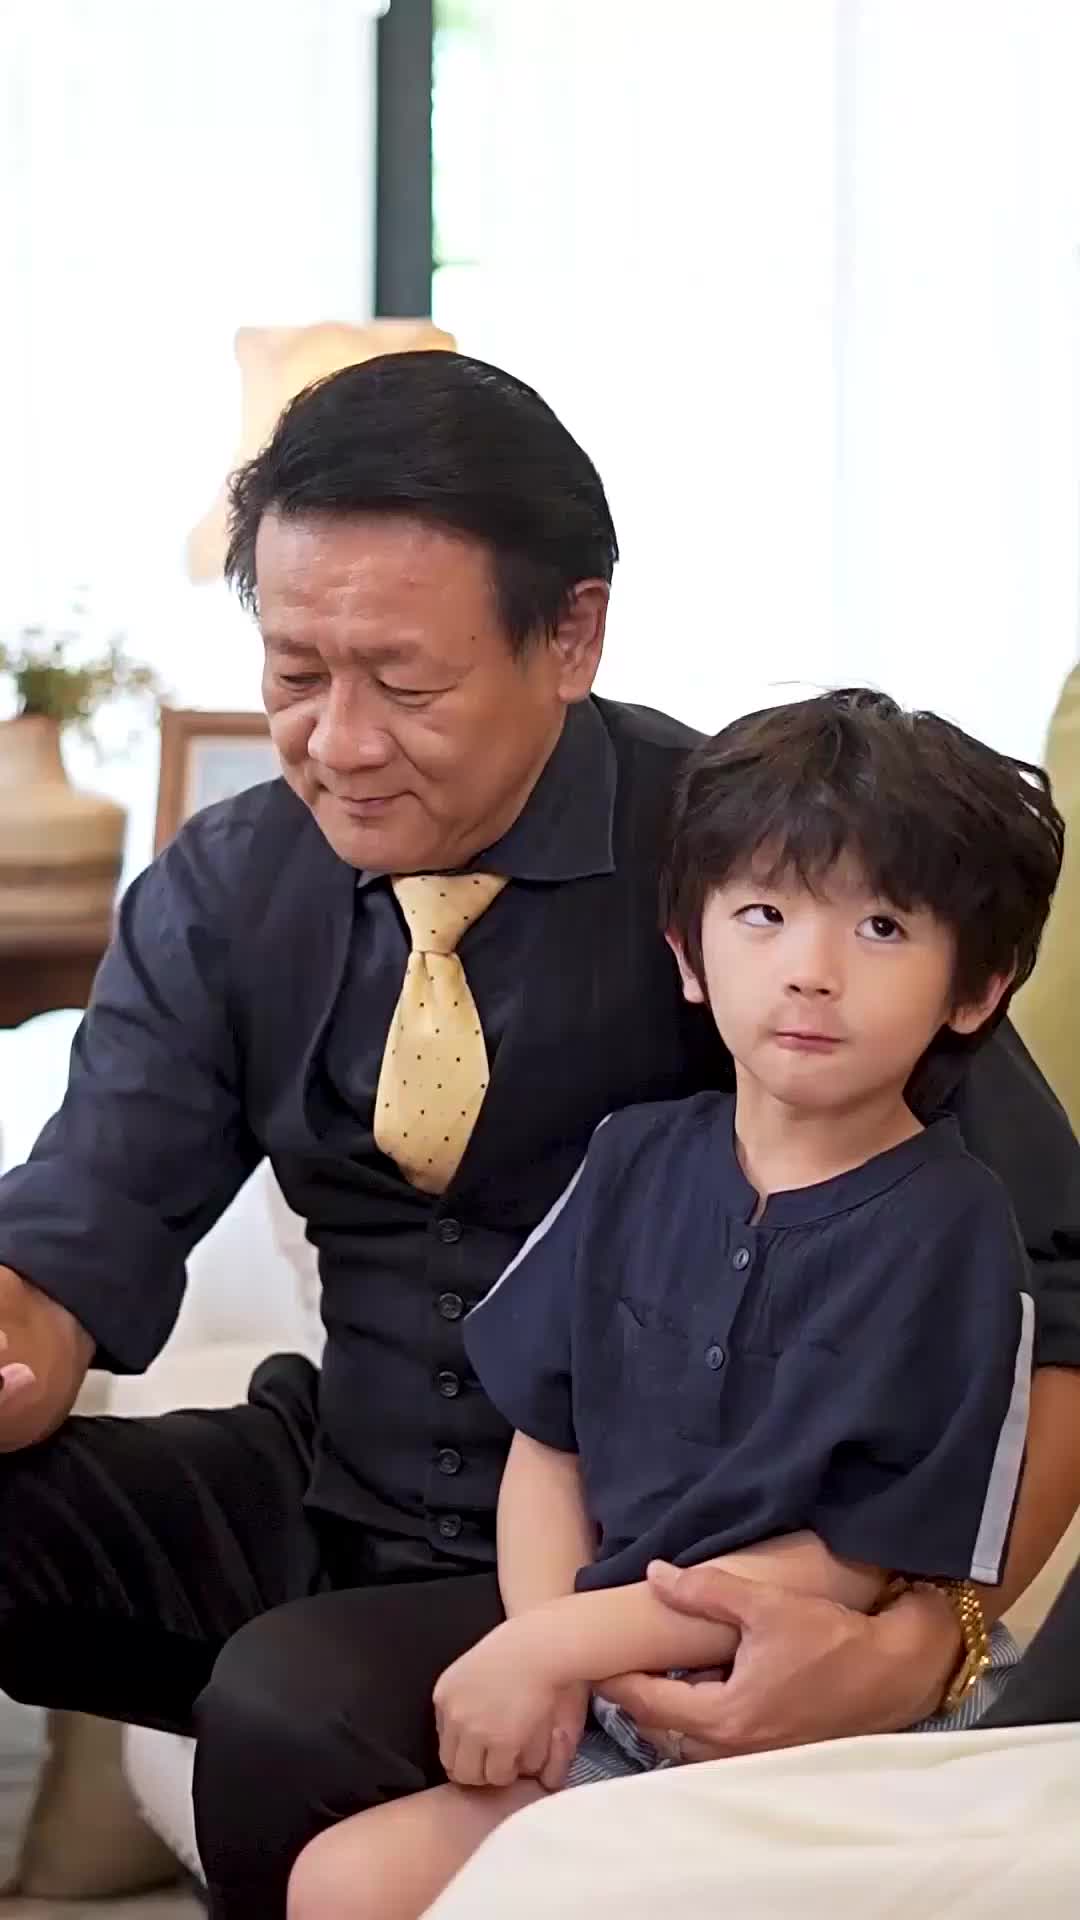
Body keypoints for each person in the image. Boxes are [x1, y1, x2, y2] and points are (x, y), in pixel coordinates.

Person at [0, 356, 1074, 1920]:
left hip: (646, 1557)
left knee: (289, 1708)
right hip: (342, 1478)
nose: (339, 741)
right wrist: (15, 1337)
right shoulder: (230, 888)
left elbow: (1056, 1288)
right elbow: (74, 1233)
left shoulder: (758, 882)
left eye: (405, 684)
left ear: (572, 635)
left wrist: (925, 1640)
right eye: (296, 671)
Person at [284, 689, 1062, 1920]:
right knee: (340, 1884)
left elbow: (855, 1561)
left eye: (881, 926)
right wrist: (548, 1650)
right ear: (690, 955)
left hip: (828, 1720)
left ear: (976, 990)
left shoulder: (957, 1233)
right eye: (765, 914)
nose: (811, 972)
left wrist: (555, 1647)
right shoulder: (630, 1158)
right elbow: (549, 1447)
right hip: (613, 1691)